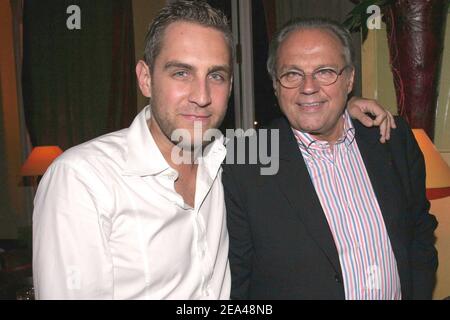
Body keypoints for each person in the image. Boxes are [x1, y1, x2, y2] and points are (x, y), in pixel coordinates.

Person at [33, 1, 395, 300]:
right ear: (145, 78)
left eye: (216, 76)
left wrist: (339, 105)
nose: (202, 96)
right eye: (181, 73)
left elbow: (304, 136)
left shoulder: (230, 155)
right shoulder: (82, 179)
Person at [223, 18, 438, 300]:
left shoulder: (392, 140)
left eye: (325, 72)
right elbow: (235, 281)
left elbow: (420, 231)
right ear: (276, 85)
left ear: (349, 79)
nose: (308, 87)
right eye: (292, 74)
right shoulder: (245, 159)